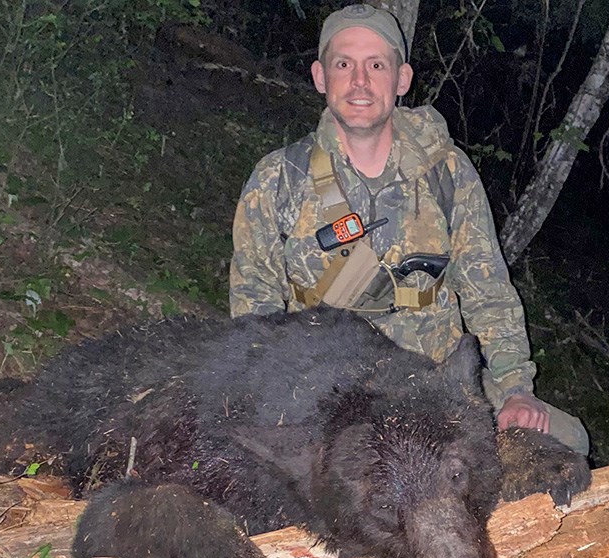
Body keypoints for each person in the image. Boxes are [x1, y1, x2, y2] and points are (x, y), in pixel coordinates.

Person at [229, 3, 589, 455]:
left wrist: (516, 388)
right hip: (328, 391)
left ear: (402, 79)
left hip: (442, 386)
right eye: (344, 64)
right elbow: (254, 315)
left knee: (564, 441)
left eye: (376, 65)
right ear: (321, 76)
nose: (360, 81)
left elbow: (488, 293)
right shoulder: (278, 179)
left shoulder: (448, 174)